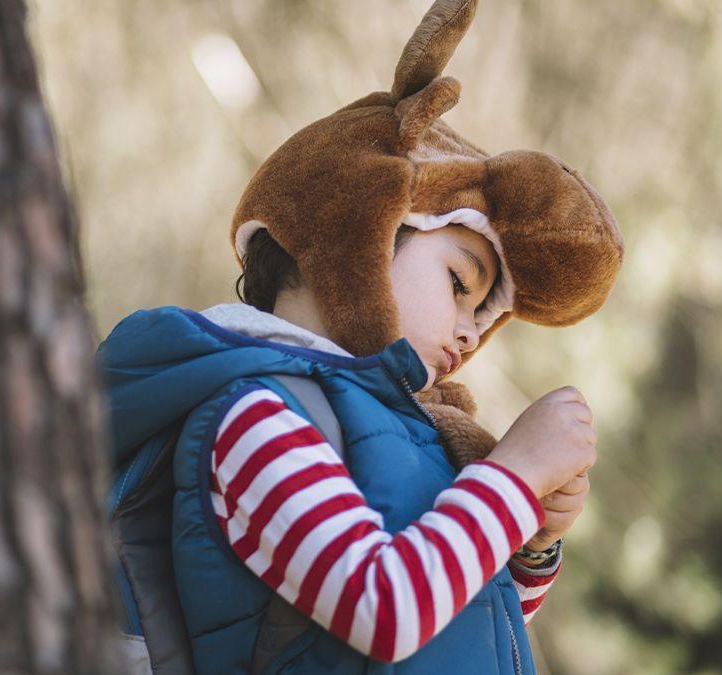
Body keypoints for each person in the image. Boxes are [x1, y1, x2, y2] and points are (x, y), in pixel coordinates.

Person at [97, 1, 623, 672]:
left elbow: (464, 619)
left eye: (485, 318)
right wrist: (513, 478)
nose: (470, 333)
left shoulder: (406, 433)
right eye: (461, 285)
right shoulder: (256, 416)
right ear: (359, 229)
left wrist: (531, 543)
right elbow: (386, 609)